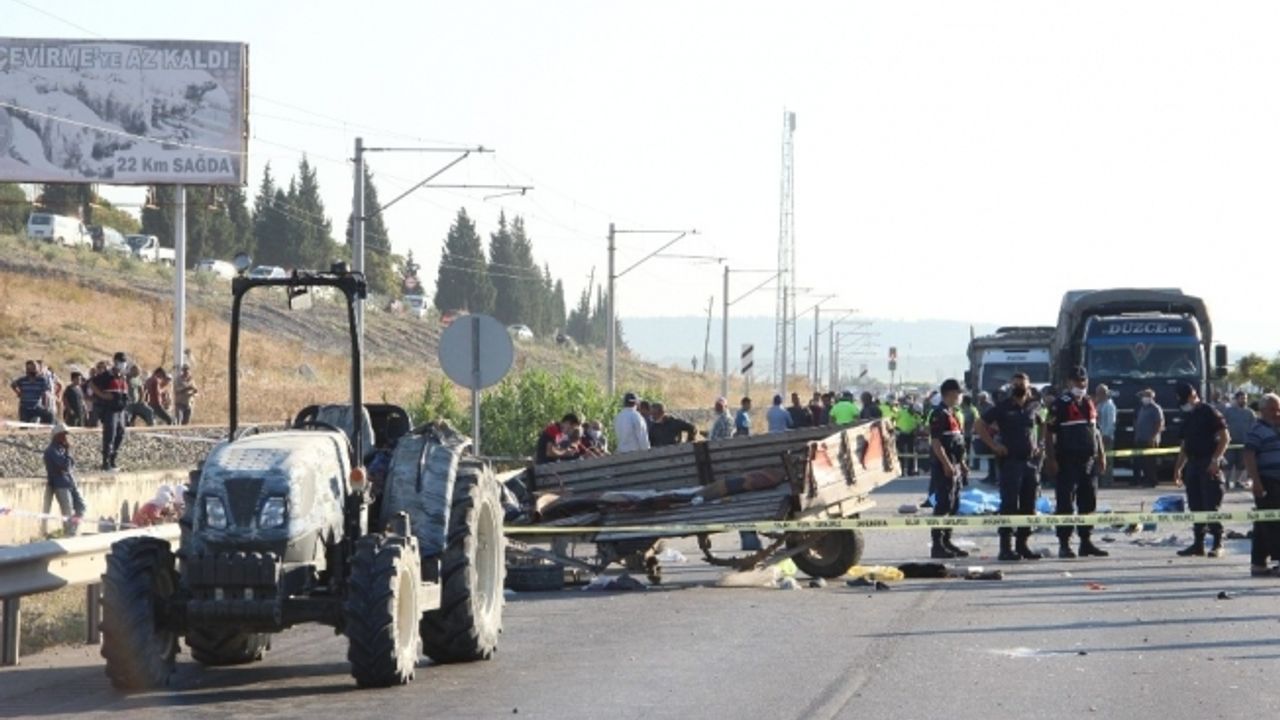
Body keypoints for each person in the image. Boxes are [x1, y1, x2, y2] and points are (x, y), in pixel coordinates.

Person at [975, 372, 1042, 562]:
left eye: (1023, 384)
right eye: (1016, 384)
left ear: (1029, 386)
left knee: (1029, 505)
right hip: (1010, 462)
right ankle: (1006, 548)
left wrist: (1041, 446)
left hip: (1030, 463)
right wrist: (994, 445)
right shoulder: (1003, 407)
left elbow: (1044, 424)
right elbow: (979, 425)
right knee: (1009, 505)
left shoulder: (1035, 406)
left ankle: (1023, 545)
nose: (1019, 387)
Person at [1044, 366, 1108, 558]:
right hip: (1067, 461)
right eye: (1077, 381)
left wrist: (1102, 455)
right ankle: (1065, 543)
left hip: (1088, 461)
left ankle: (1086, 541)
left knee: (1088, 502)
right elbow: (1049, 433)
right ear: (1069, 383)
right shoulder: (1060, 404)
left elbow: (1096, 432)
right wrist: (1051, 459)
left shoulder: (1089, 403)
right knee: (1065, 504)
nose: (1081, 385)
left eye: (1084, 381)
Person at [1173, 382, 1230, 558]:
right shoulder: (1187, 415)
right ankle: (1198, 544)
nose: (1183, 403)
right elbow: (1185, 445)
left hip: (1208, 463)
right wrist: (1178, 468)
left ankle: (1218, 543)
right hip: (1193, 464)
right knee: (1195, 506)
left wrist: (1215, 460)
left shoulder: (1209, 411)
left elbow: (1225, 437)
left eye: (1185, 399)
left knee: (1210, 505)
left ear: (1193, 395)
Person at [928, 379, 969, 559]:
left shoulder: (953, 414)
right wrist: (946, 464)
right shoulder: (939, 414)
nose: (960, 397)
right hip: (944, 466)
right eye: (958, 393)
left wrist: (963, 464)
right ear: (950, 394)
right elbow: (937, 443)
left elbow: (957, 442)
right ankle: (937, 544)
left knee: (954, 505)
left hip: (955, 465)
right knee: (943, 504)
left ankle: (947, 540)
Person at [1244, 393, 1280, 576]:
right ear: (1263, 410)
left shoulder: (1277, 427)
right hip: (1267, 481)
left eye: (1278, 409)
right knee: (1272, 522)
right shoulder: (1257, 429)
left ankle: (1258, 563)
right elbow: (1249, 456)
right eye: (1273, 410)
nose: (1276, 413)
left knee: (1262, 523)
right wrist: (1256, 482)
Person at [89, 353, 130, 471]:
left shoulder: (122, 377)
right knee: (109, 435)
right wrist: (102, 395)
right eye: (121, 361)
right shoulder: (108, 375)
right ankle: (105, 462)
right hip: (110, 410)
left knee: (120, 433)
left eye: (124, 361)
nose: (123, 364)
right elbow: (92, 383)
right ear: (115, 362)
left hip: (120, 410)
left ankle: (113, 459)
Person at [43, 422, 82, 536]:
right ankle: (69, 533)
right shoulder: (51, 451)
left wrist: (67, 454)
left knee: (81, 507)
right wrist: (68, 452)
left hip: (70, 481)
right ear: (57, 435)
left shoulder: (62, 450)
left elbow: (70, 465)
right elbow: (65, 465)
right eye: (63, 435)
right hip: (61, 485)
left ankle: (73, 530)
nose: (66, 437)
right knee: (67, 511)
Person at [1223, 391, 1257, 489]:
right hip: (1230, 443)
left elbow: (1254, 427)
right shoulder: (1229, 411)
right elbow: (1222, 424)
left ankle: (1237, 481)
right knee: (1228, 463)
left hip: (1244, 443)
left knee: (1241, 464)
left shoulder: (1250, 413)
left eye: (1245, 398)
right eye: (1242, 398)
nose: (1244, 400)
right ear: (1237, 399)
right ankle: (1226, 482)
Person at [1133, 388, 1165, 487]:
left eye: (1145, 396)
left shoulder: (1156, 408)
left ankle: (1152, 481)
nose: (1143, 398)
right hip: (1140, 438)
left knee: (1150, 462)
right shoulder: (1142, 408)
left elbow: (1159, 423)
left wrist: (1153, 437)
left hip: (1150, 440)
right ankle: (1143, 479)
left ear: (1151, 397)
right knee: (1141, 461)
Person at [11, 360, 54, 424]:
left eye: (35, 368)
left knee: (49, 415)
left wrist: (45, 406)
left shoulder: (42, 380)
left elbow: (45, 393)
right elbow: (13, 385)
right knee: (24, 425)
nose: (33, 370)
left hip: (36, 406)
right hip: (25, 407)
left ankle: (45, 431)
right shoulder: (22, 380)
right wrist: (18, 393)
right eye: (31, 368)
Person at [1095, 384, 1116, 487]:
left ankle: (1108, 482)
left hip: (1106, 437)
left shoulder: (1110, 406)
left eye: (1099, 393)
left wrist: (1106, 435)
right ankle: (1101, 480)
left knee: (1108, 460)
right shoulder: (1099, 405)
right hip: (1098, 437)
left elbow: (1111, 423)